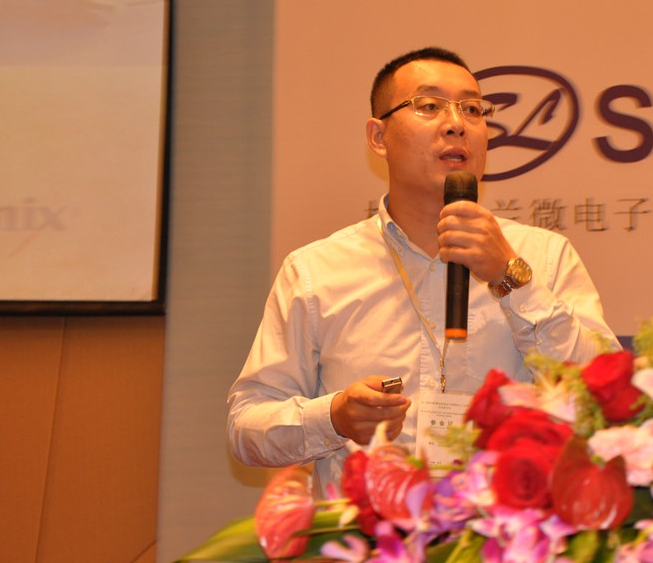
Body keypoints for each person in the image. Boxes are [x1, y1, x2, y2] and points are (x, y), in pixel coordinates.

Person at [227, 46, 619, 492]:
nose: (456, 124)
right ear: (379, 137)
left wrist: (509, 276)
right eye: (429, 106)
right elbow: (246, 426)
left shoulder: (545, 257)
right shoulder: (317, 270)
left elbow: (606, 399)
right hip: (369, 530)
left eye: (472, 109)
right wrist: (333, 418)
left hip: (506, 527)